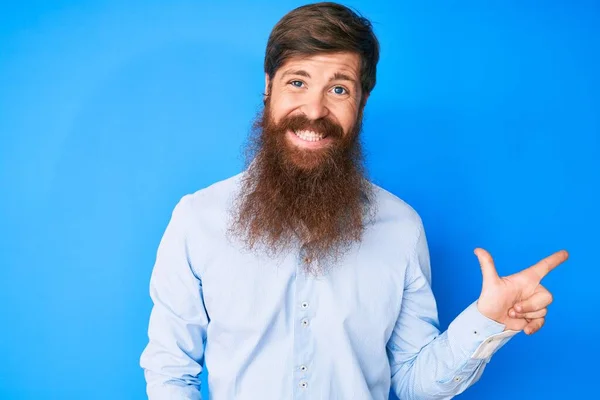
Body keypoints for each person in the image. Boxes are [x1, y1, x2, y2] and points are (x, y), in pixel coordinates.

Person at [139, 2, 568, 399]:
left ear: (361, 101)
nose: (315, 109)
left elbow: (414, 382)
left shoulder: (401, 227)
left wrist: (486, 321)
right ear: (269, 87)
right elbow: (170, 372)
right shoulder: (198, 219)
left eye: (339, 89)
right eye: (297, 81)